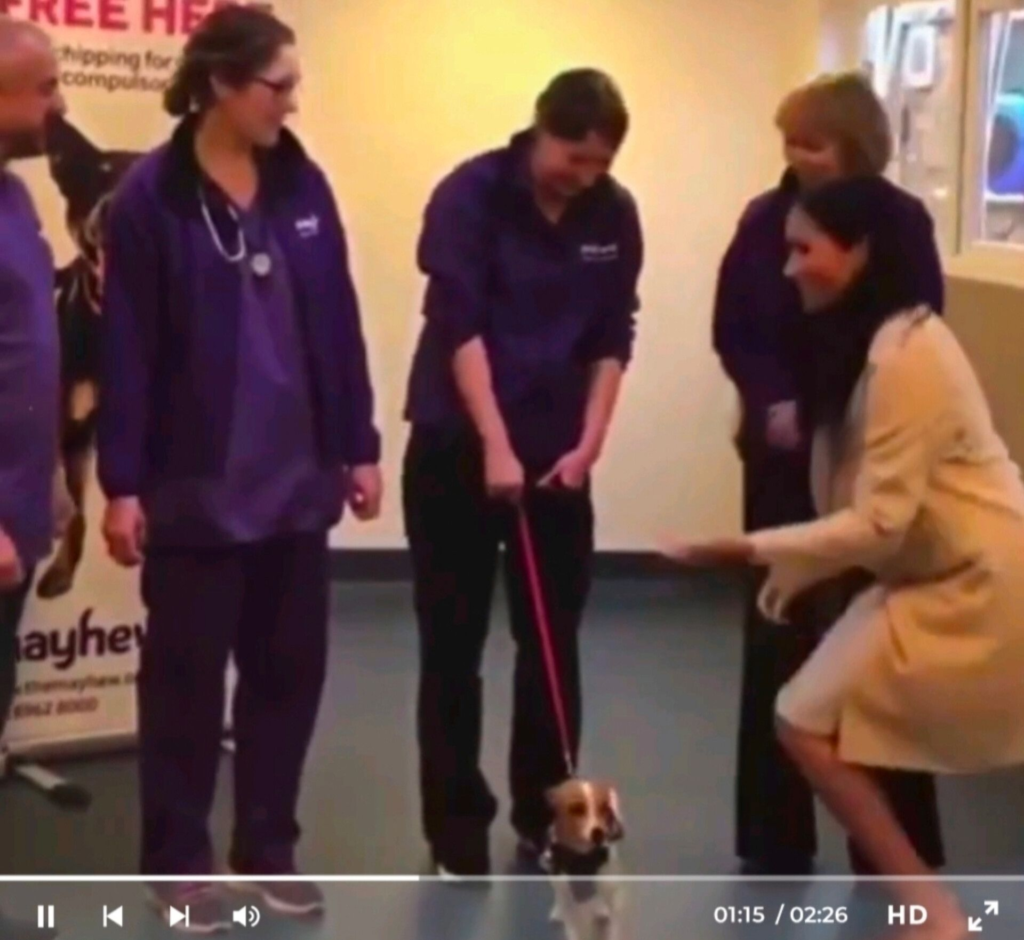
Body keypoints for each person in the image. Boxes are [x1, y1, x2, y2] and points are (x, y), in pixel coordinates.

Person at [668, 174, 1024, 938]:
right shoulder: (858, 341)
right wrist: (794, 570)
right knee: (803, 716)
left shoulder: (907, 352)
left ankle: (930, 913)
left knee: (808, 717)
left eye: (805, 250)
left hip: (980, 575)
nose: (789, 266)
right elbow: (856, 504)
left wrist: (749, 549)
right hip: (928, 571)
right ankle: (930, 911)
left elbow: (878, 523)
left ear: (859, 251)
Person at [97, 6, 381, 928]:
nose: (291, 104)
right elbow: (126, 349)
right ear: (221, 83)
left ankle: (267, 845)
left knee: (287, 674)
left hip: (297, 482)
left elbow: (338, 319)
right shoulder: (151, 198)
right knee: (184, 688)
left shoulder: (302, 185)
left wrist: (360, 443)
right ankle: (177, 861)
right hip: (196, 487)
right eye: (278, 86)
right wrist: (122, 484)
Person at [402, 69, 643, 877]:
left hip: (557, 458)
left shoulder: (613, 213)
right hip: (456, 445)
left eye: (601, 163)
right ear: (541, 129)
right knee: (453, 643)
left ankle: (549, 815)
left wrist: (590, 442)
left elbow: (613, 333)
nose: (586, 176)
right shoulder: (469, 196)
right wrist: (495, 445)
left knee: (550, 640)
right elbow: (458, 325)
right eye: (574, 157)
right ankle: (456, 828)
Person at [712, 70, 945, 875]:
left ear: (854, 147)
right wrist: (773, 399)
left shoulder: (903, 223)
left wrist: (845, 414)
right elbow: (735, 326)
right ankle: (773, 838)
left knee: (877, 645)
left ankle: (894, 849)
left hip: (867, 463)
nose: (796, 157)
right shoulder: (763, 220)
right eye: (789, 143)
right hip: (782, 459)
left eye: (812, 143)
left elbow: (916, 330)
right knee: (777, 633)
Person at [0, 19, 66, 754]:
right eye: (45, 89)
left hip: (19, 504)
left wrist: (48, 477)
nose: (60, 105)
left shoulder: (15, 197)